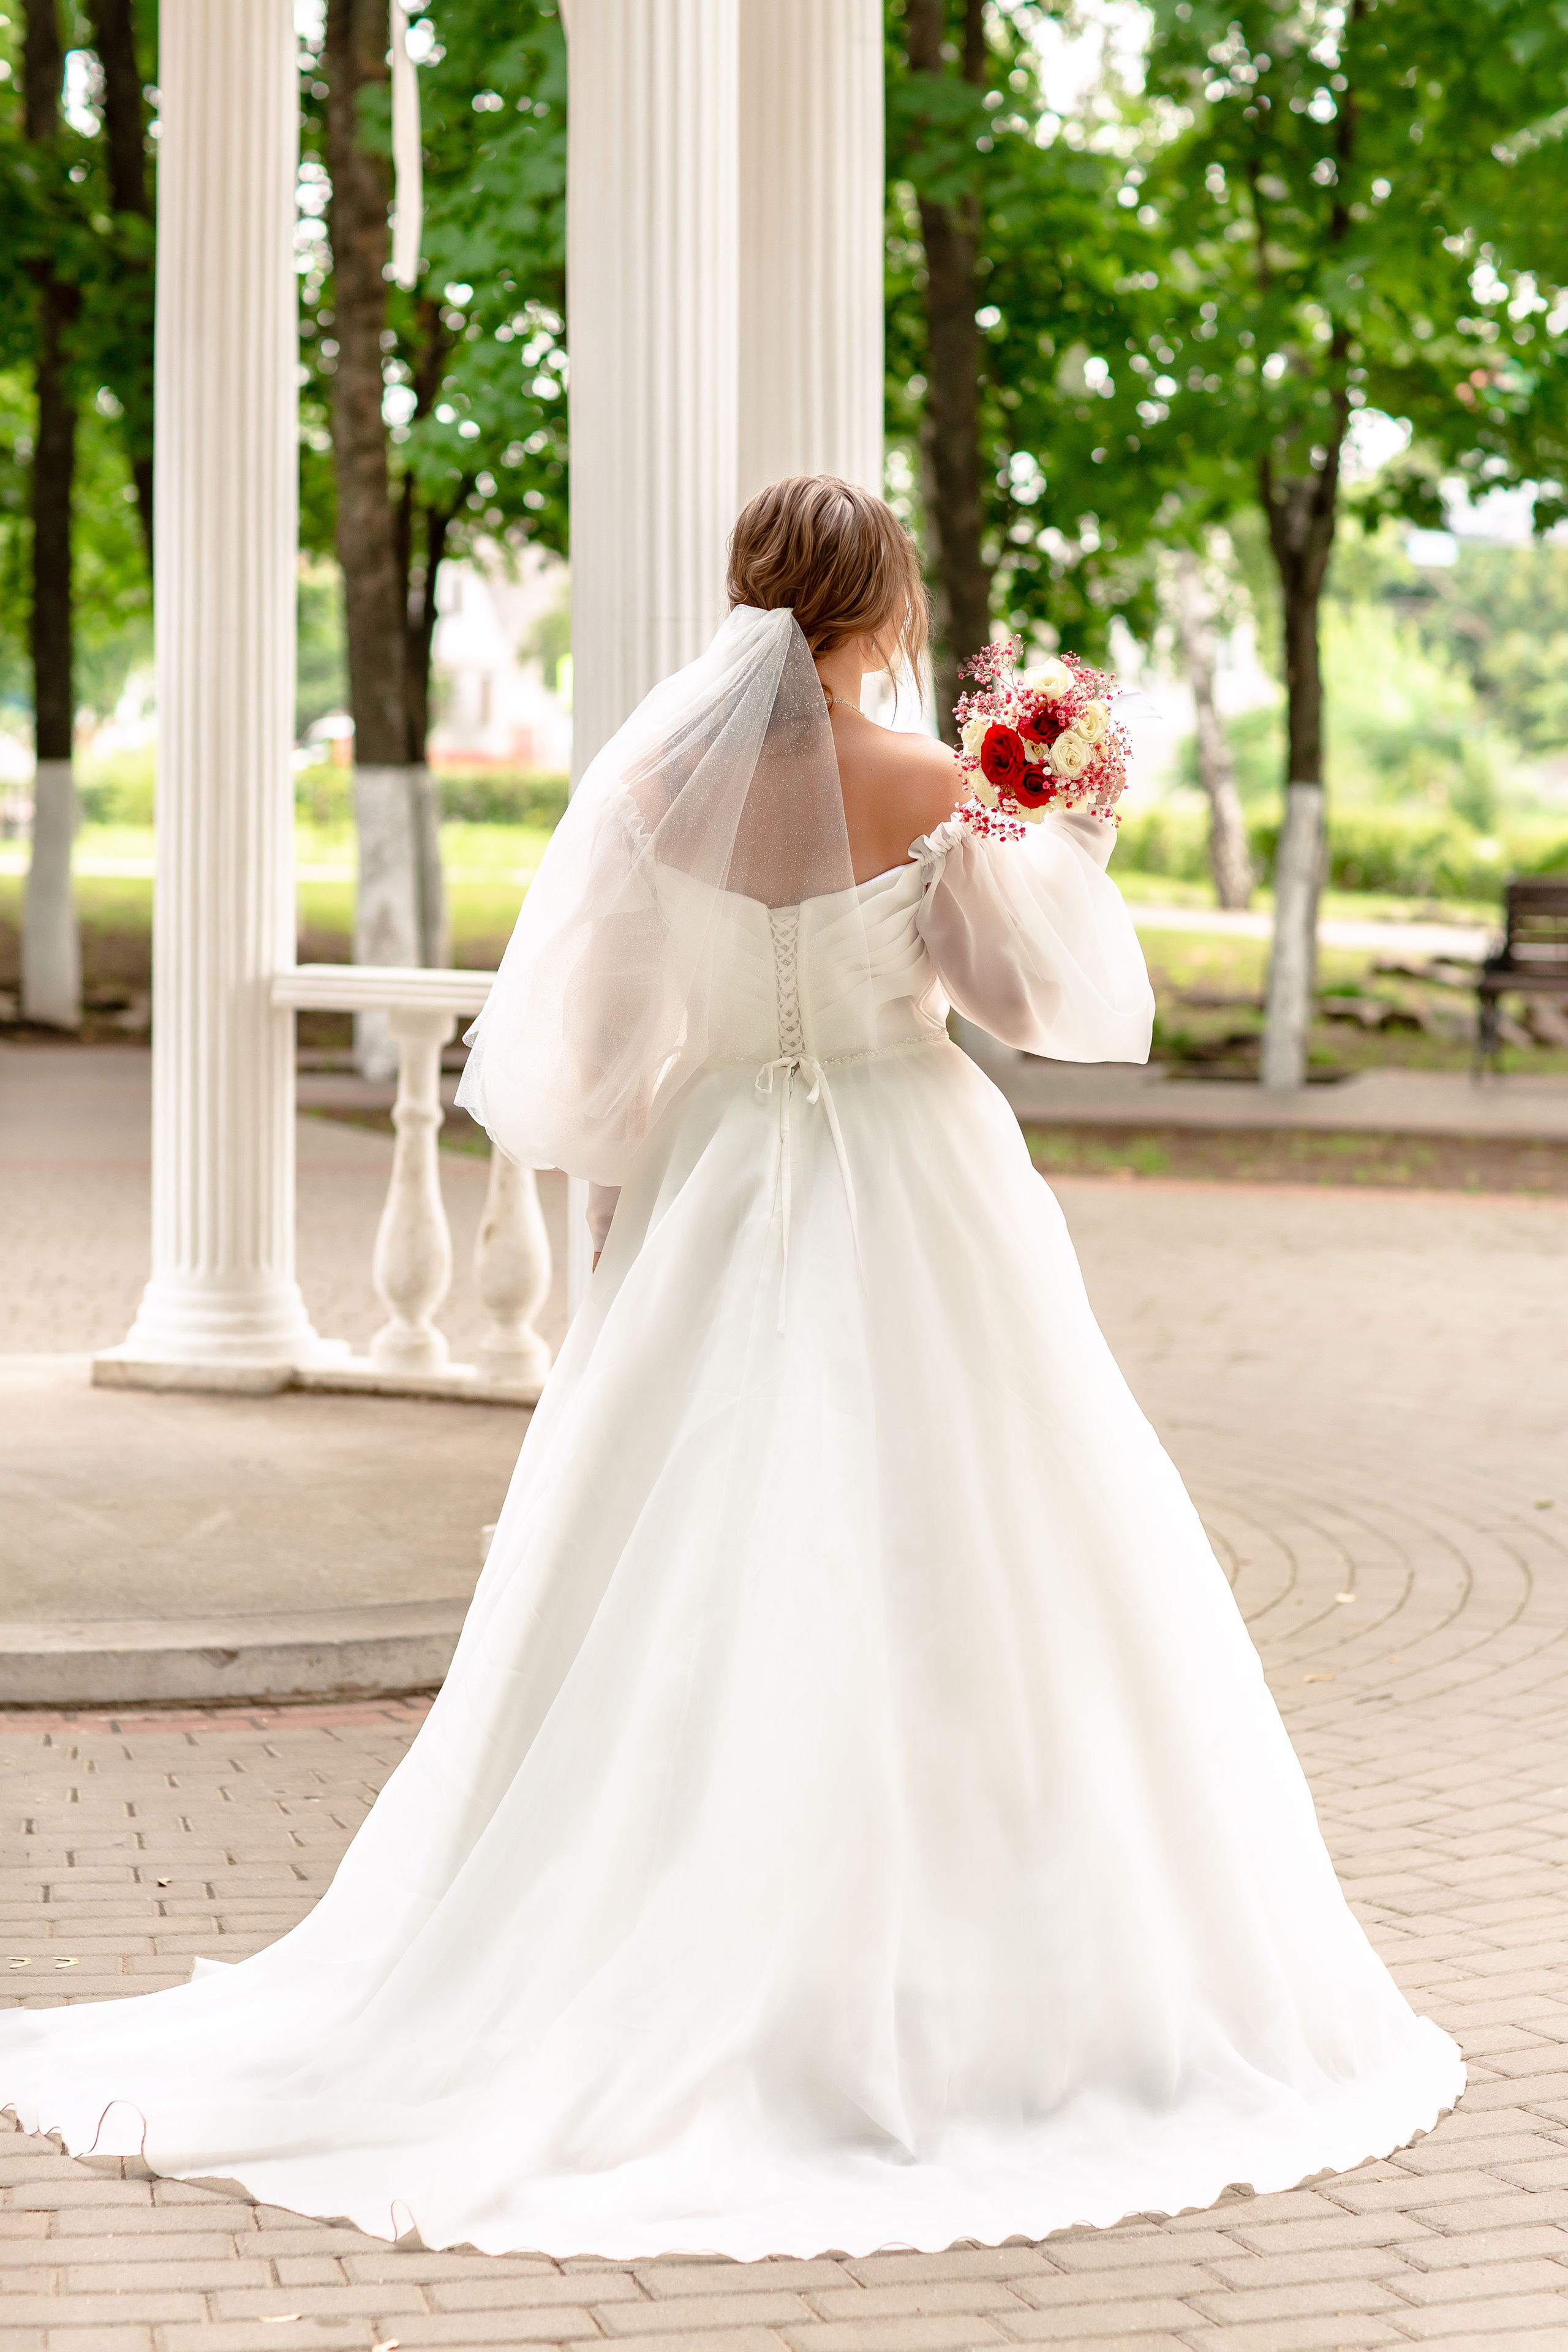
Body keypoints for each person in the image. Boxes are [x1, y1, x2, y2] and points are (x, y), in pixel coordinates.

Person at [0, 477, 1462, 2262]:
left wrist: (621, 1219)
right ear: (884, 609)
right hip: (915, 1177)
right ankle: (952, 1966)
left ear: (751, 596)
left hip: (713, 1183)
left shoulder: (645, 790)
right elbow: (1039, 1014)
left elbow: (600, 1053)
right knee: (973, 1562)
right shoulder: (939, 788)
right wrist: (1059, 829)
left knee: (673, 1571)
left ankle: (642, 1933)